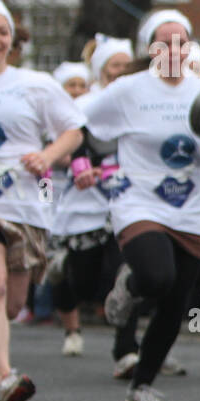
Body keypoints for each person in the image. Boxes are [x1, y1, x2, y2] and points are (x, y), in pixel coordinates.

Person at [85, 9, 200, 401]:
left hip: (189, 207)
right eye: (164, 42)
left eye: (181, 42)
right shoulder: (127, 89)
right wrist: (85, 167)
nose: (173, 50)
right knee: (157, 276)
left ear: (191, 47)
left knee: (174, 303)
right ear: (149, 49)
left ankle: (142, 386)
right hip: (139, 199)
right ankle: (130, 289)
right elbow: (84, 128)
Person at [0, 0, 86, 401]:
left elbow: (73, 131)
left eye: (2, 30)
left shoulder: (34, 84)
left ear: (11, 38)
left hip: (25, 206)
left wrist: (47, 157)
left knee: (13, 304)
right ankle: (5, 377)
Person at [50, 34, 142, 373]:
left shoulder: (139, 99)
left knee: (121, 271)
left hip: (128, 199)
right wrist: (80, 167)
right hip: (87, 200)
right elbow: (72, 140)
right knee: (87, 283)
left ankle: (126, 350)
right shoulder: (87, 102)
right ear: (102, 69)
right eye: (113, 64)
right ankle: (64, 272)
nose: (119, 70)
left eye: (123, 64)